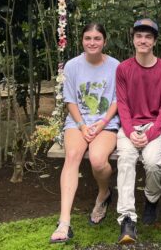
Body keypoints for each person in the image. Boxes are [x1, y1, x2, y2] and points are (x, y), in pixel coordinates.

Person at [50, 23, 120, 244]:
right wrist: (81, 125)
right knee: (72, 157)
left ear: (104, 42)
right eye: (88, 38)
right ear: (82, 41)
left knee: (99, 161)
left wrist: (101, 124)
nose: (92, 42)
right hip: (78, 122)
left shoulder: (115, 66)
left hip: (106, 122)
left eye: (97, 38)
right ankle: (64, 222)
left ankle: (103, 193)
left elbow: (118, 100)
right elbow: (70, 100)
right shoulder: (72, 66)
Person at [115, 18, 161, 245]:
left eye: (148, 37)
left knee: (152, 162)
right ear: (133, 39)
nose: (143, 40)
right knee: (127, 160)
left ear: (154, 41)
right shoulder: (123, 69)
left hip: (153, 128)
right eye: (139, 36)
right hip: (129, 126)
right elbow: (122, 104)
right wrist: (130, 132)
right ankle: (127, 219)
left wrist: (149, 135)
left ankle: (151, 199)